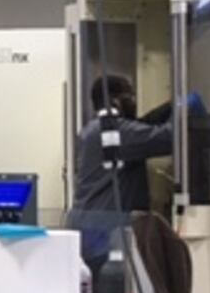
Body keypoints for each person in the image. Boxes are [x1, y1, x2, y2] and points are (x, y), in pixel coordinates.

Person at [68, 74, 199, 276]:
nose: (134, 102)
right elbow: (168, 138)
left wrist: (169, 107)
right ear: (116, 101)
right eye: (130, 96)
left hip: (91, 227)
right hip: (106, 229)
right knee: (114, 291)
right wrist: (183, 107)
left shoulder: (95, 130)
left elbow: (142, 125)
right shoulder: (114, 134)